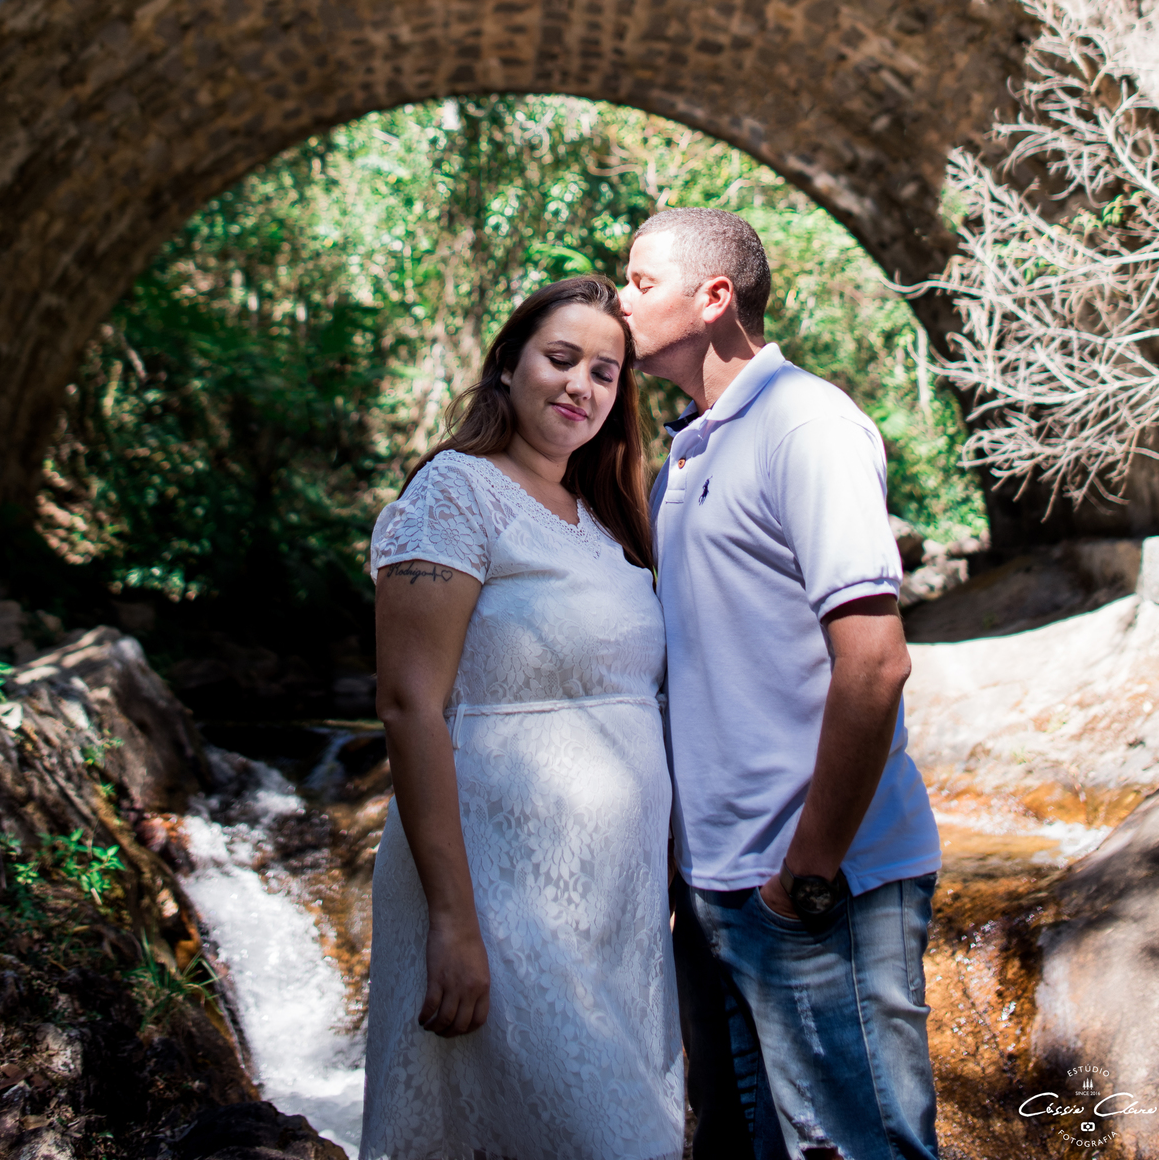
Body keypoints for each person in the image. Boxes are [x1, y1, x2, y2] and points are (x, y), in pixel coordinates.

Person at [619, 207, 942, 1160]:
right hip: (713, 890)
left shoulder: (808, 425)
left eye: (641, 281)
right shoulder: (687, 450)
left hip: (817, 892)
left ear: (714, 298)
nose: (620, 300)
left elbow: (875, 662)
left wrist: (803, 878)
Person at [359, 275, 684, 1160]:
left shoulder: (605, 521)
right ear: (508, 364)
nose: (583, 386)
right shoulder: (455, 494)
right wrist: (453, 922)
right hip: (499, 901)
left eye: (605, 373)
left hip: (613, 911)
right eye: (562, 358)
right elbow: (409, 706)